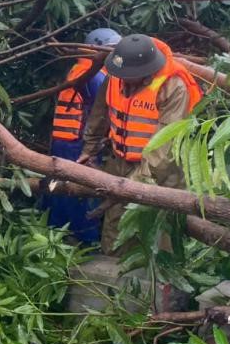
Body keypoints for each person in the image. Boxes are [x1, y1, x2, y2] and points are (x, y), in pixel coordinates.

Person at [77, 34, 202, 254]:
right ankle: (113, 272)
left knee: (156, 228)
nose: (123, 79)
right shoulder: (116, 76)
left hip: (164, 171)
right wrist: (89, 152)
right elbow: (99, 116)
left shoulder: (173, 87)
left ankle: (160, 281)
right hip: (120, 162)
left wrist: (131, 186)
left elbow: (165, 148)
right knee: (115, 224)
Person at [44, 28, 120, 242]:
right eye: (112, 49)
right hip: (78, 143)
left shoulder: (78, 69)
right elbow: (105, 111)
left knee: (61, 191)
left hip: (63, 142)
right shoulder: (95, 77)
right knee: (82, 192)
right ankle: (85, 242)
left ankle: (55, 237)